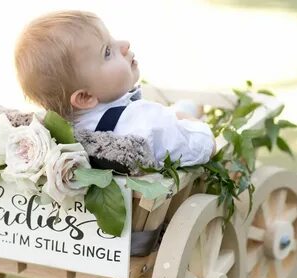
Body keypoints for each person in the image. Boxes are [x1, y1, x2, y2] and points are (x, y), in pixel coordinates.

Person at [14, 10, 215, 166]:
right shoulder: (147, 120)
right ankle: (187, 108)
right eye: (108, 52)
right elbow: (204, 145)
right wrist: (185, 118)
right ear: (84, 97)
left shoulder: (57, 134)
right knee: (184, 110)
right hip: (153, 211)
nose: (125, 44)